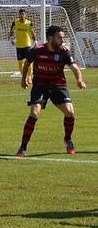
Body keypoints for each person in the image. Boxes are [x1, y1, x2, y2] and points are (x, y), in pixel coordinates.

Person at [15, 25, 87, 157]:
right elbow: (27, 63)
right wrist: (23, 79)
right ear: (50, 38)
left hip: (58, 86)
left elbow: (75, 68)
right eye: (59, 38)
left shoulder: (64, 51)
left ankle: (68, 140)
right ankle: (23, 147)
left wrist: (79, 80)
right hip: (40, 86)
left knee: (70, 112)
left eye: (63, 37)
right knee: (34, 113)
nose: (62, 40)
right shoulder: (37, 50)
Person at [9, 9, 36, 78]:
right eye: (20, 14)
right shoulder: (15, 22)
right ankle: (24, 76)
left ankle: (29, 76)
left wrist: (35, 42)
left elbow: (33, 34)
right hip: (18, 46)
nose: (21, 16)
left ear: (25, 15)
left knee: (29, 62)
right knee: (20, 63)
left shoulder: (29, 23)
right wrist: (12, 39)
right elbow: (11, 33)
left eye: (23, 14)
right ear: (19, 15)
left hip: (27, 45)